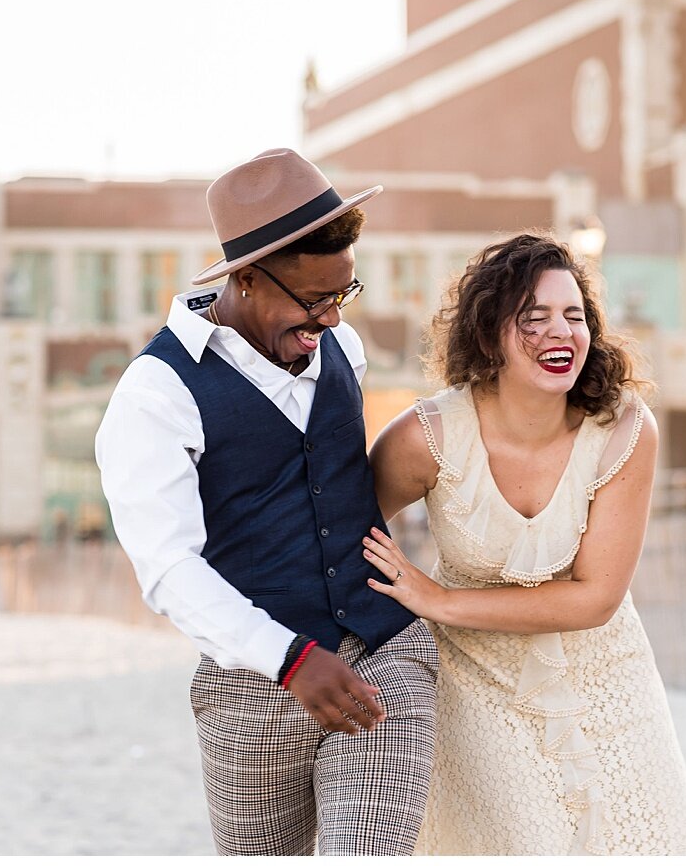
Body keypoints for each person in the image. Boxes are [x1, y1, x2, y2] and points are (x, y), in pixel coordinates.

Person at [95, 149, 439, 856]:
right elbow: (166, 568)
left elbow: (342, 484)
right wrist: (287, 658)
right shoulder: (155, 394)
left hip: (386, 657)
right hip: (252, 690)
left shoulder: (345, 346)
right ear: (245, 280)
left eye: (344, 293)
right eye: (314, 300)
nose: (333, 319)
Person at [362, 232, 686, 855]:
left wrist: (439, 600)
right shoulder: (429, 437)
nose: (561, 332)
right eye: (535, 317)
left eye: (574, 316)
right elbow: (342, 531)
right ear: (490, 334)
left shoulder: (624, 429)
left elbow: (595, 598)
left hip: (610, 682)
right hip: (478, 689)